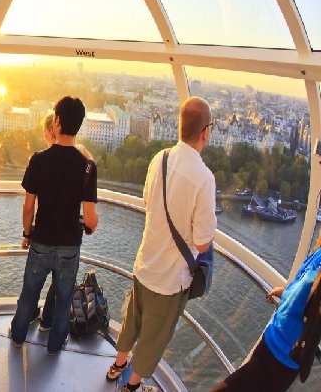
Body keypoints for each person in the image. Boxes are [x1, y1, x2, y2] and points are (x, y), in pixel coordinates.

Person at [107, 96, 217, 392]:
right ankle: (132, 386)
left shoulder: (160, 158)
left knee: (132, 321)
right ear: (205, 131)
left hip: (145, 263)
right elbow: (204, 243)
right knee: (154, 338)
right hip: (171, 279)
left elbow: (146, 200)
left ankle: (117, 365)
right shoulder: (204, 179)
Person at [9, 96, 98, 355]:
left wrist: (27, 233)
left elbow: (28, 207)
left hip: (41, 241)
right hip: (69, 246)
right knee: (62, 300)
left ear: (56, 122)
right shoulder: (87, 167)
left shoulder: (38, 160)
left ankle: (18, 336)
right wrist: (90, 226)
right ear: (78, 125)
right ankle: (55, 344)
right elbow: (90, 219)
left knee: (29, 295)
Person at [209, 232, 321, 391]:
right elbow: (305, 285)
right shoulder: (318, 251)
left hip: (283, 359)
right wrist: (286, 293)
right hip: (270, 339)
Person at [37, 112, 95, 332]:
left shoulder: (42, 159)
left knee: (35, 279)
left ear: (52, 130)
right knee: (61, 280)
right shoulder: (79, 155)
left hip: (45, 231)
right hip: (68, 232)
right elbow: (91, 168)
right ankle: (49, 322)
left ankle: (36, 318)